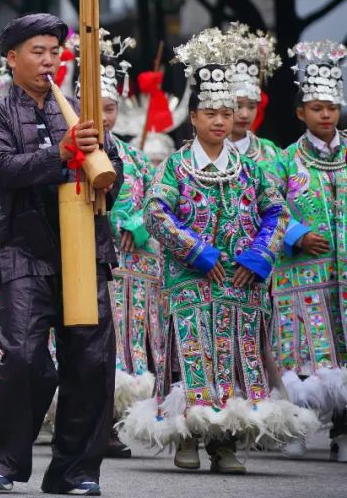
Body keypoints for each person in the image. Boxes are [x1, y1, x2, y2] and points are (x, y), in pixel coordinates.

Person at [119, 27, 313, 474]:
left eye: (227, 113)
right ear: (194, 118)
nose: (221, 121)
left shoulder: (251, 167)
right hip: (191, 279)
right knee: (191, 356)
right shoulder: (177, 165)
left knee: (236, 358)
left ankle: (225, 442)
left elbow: (277, 212)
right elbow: (155, 214)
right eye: (212, 113)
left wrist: (258, 256)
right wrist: (197, 252)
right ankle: (186, 434)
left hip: (242, 282)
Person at [0, 13, 121, 496]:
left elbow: (109, 179)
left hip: (84, 247)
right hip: (23, 250)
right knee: (22, 356)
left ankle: (75, 472)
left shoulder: (81, 110)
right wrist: (58, 154)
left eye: (55, 51)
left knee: (92, 362)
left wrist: (101, 165)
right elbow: (3, 170)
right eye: (37, 51)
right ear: (11, 58)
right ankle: (4, 460)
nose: (48, 60)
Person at [274, 39, 347, 461]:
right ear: (301, 113)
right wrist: (296, 234)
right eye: (316, 107)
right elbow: (267, 205)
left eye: (331, 107)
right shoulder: (285, 161)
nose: (325, 114)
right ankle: (296, 426)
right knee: (302, 355)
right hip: (301, 275)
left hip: (344, 278)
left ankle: (343, 429)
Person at [89, 32, 161, 459]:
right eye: (96, 109)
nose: (104, 117)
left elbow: (155, 201)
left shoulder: (133, 159)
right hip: (92, 265)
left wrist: (138, 221)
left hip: (131, 270)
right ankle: (89, 421)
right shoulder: (70, 154)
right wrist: (118, 217)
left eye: (111, 108)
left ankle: (116, 421)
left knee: (128, 344)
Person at [223, 23, 286, 186]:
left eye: (251, 106)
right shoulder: (209, 150)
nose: (244, 114)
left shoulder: (271, 152)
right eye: (238, 105)